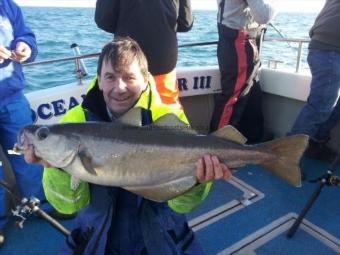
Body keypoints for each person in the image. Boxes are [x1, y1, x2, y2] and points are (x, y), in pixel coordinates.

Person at [23, 37, 232, 254]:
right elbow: (68, 206)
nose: (119, 88)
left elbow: (182, 205)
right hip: (97, 232)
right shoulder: (74, 122)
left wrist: (197, 181)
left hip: (160, 230)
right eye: (110, 77)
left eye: (129, 77)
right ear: (99, 80)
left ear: (145, 80)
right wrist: (56, 169)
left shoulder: (167, 117)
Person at [0, 0, 51, 246]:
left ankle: (40, 205)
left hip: (13, 100)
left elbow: (26, 36)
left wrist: (25, 47)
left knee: (26, 154)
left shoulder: (8, 6)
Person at [94, 0, 193, 106]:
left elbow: (103, 20)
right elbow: (185, 23)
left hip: (126, 62)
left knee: (126, 112)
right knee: (168, 110)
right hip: (162, 63)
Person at [210, 0, 276, 143]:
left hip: (237, 40)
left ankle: (253, 137)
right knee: (233, 97)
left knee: (252, 90)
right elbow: (264, 15)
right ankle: (216, 145)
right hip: (239, 42)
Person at [289, 0, 340, 161]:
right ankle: (288, 156)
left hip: (326, 47)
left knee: (324, 105)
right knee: (320, 106)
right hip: (329, 49)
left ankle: (316, 141)